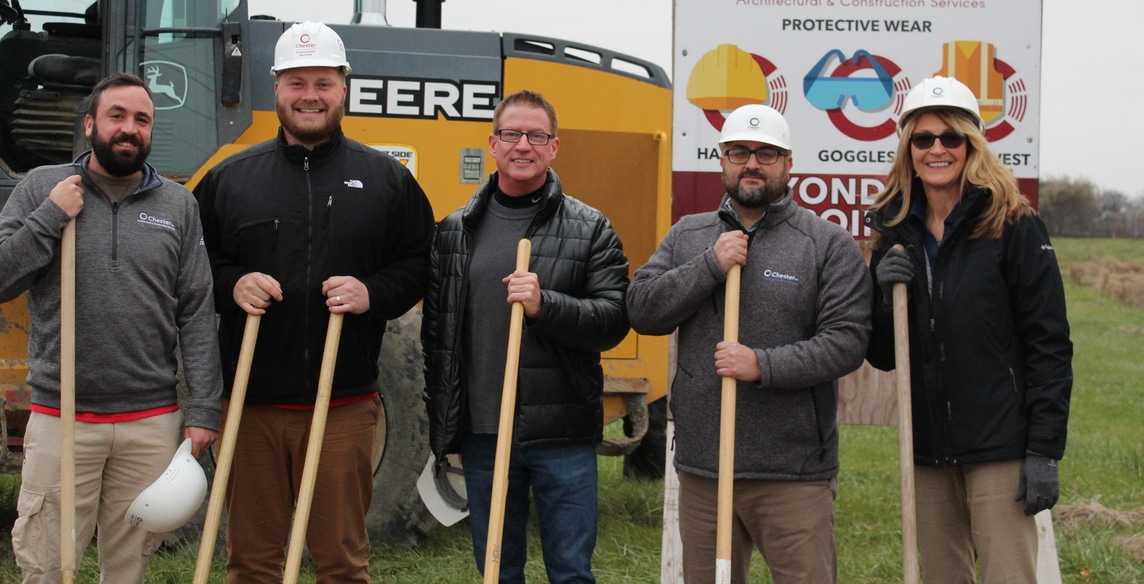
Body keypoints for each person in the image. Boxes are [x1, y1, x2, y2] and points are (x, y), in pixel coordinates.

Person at [194, 21, 434, 584]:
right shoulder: (230, 179)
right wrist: (232, 283)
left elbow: (421, 263)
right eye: (296, 81)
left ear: (343, 88)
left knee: (342, 563)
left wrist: (372, 293)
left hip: (343, 409)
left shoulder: (384, 181)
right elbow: (191, 265)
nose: (310, 95)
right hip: (250, 408)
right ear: (275, 89)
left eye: (323, 82)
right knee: (252, 562)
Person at [0, 72, 221, 583]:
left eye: (141, 120)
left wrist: (202, 408)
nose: (129, 129)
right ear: (90, 124)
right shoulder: (44, 187)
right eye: (117, 116)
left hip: (150, 422)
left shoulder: (178, 205)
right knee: (47, 565)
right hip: (63, 415)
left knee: (128, 568)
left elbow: (197, 310)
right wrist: (48, 218)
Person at [626, 103, 871, 584]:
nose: (752, 163)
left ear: (787, 163)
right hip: (704, 471)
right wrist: (709, 266)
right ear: (722, 158)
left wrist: (762, 365)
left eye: (766, 153)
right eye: (740, 151)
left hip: (793, 472)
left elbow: (846, 342)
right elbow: (642, 310)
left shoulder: (825, 244)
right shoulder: (689, 235)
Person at [865, 76, 1073, 583]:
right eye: (923, 138)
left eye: (950, 137)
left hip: (999, 447)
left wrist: (1043, 450)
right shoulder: (894, 231)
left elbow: (1049, 344)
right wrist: (881, 295)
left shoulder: (1013, 224)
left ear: (971, 144)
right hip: (927, 449)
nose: (937, 149)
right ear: (908, 147)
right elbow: (885, 354)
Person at [422, 89, 630, 584]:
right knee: (497, 570)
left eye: (536, 136)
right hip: (484, 434)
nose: (523, 145)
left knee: (571, 573)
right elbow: (438, 337)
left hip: (562, 435)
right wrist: (446, 425)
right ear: (492, 144)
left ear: (553, 148)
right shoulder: (454, 230)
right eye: (512, 134)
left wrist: (546, 305)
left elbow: (615, 319)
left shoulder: (590, 228)